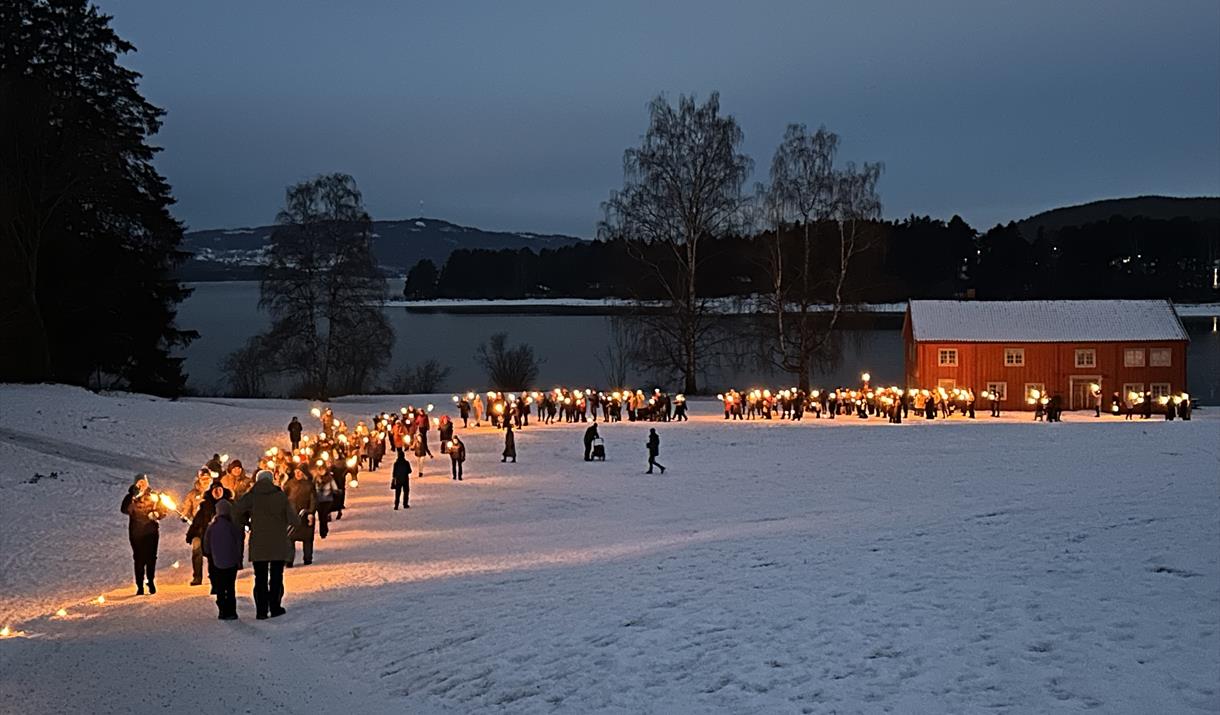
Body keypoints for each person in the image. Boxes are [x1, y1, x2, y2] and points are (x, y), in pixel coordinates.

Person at [233, 470, 299, 620]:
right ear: (271, 480)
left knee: (260, 577)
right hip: (278, 542)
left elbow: (236, 511)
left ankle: (261, 610)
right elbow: (294, 520)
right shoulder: (280, 496)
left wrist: (246, 523)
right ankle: (275, 607)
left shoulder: (251, 496)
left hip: (258, 543)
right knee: (276, 576)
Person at [120, 474, 166, 595]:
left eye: (143, 483)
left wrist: (157, 514)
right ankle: (139, 585)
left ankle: (150, 581)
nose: (141, 485)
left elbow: (163, 510)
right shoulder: (132, 497)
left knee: (151, 558)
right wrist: (131, 495)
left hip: (151, 532)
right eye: (139, 483)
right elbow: (124, 509)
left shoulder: (153, 495)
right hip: (136, 533)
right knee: (139, 559)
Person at [203, 500, 241, 620]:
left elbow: (206, 543)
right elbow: (238, 541)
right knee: (230, 587)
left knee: (220, 587)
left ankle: (222, 611)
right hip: (231, 562)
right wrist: (238, 556)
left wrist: (209, 553)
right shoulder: (232, 526)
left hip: (217, 562)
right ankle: (232, 611)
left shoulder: (212, 527)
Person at [181, 469, 214, 586]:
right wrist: (185, 515)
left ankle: (213, 575)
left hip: (211, 527)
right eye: (203, 479)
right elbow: (187, 509)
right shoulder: (192, 494)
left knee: (212, 552)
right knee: (197, 550)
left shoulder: (214, 492)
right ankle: (197, 576)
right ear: (199, 479)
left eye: (207, 479)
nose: (205, 481)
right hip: (197, 528)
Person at [283, 467, 317, 567]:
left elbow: (313, 500)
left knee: (307, 538)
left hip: (305, 515)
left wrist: (311, 513)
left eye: (300, 472)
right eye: (296, 472)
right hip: (292, 515)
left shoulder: (309, 485)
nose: (298, 474)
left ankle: (308, 558)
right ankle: (289, 560)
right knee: (289, 537)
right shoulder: (290, 483)